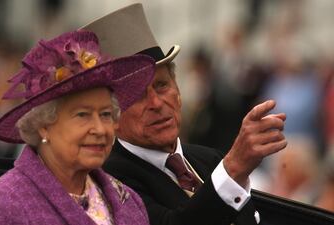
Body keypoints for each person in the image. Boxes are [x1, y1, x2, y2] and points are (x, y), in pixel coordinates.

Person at [81, 3, 287, 225]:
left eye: (162, 85)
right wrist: (234, 168)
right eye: (138, 95)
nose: (156, 103)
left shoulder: (210, 160)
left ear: (178, 91)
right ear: (109, 115)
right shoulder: (104, 181)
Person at [0, 30, 156, 225]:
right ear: (43, 125)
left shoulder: (128, 199)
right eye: (83, 115)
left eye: (106, 115)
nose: (100, 129)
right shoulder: (3, 205)